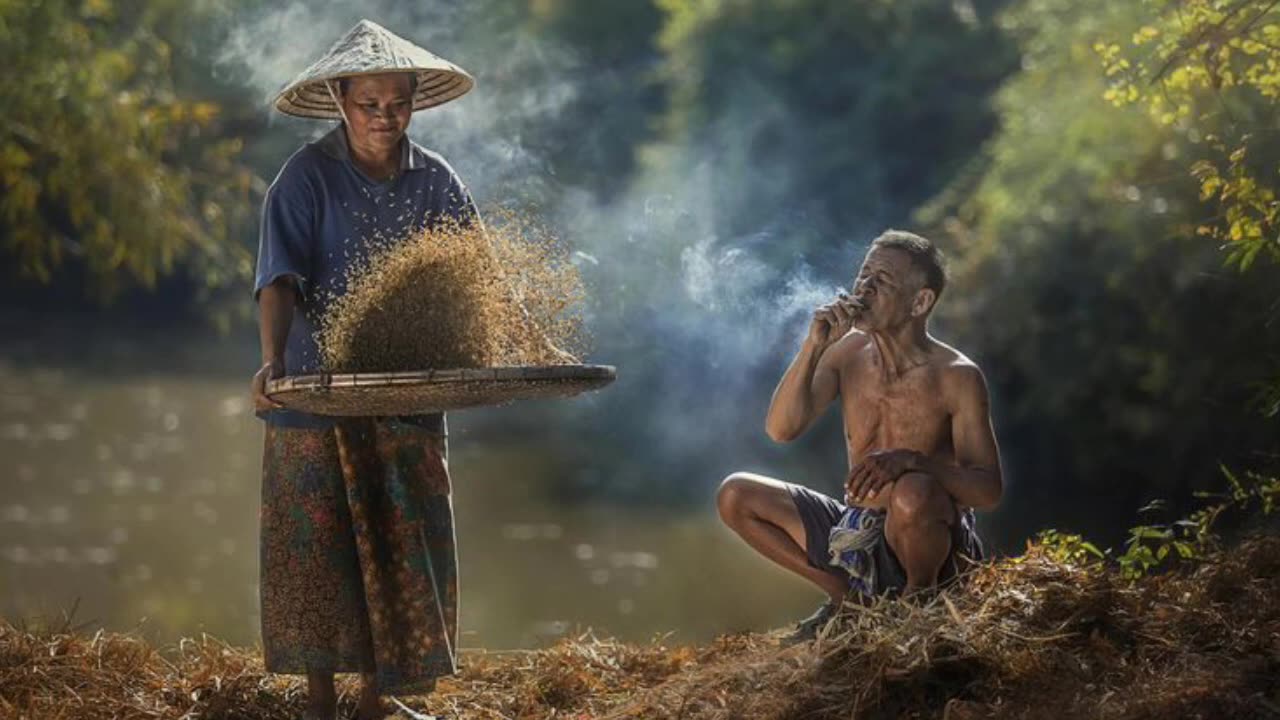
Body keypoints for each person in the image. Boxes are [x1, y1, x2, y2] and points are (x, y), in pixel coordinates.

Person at [249, 20, 476, 720]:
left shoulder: (435, 180)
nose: (384, 118)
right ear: (342, 101)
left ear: (414, 101)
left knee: (402, 541)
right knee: (319, 553)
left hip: (407, 392)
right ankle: (321, 702)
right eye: (369, 104)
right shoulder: (305, 177)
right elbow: (278, 279)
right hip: (316, 392)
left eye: (397, 103)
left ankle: (379, 700)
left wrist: (484, 345)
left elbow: (474, 279)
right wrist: (272, 362)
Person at [716, 230, 1003, 643]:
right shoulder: (847, 352)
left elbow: (989, 490)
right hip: (856, 529)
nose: (864, 287)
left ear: (919, 302)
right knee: (735, 495)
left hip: (927, 539)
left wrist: (913, 461)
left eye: (883, 281)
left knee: (914, 490)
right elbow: (781, 429)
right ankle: (848, 599)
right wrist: (812, 347)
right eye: (863, 275)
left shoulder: (957, 376)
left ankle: (918, 605)